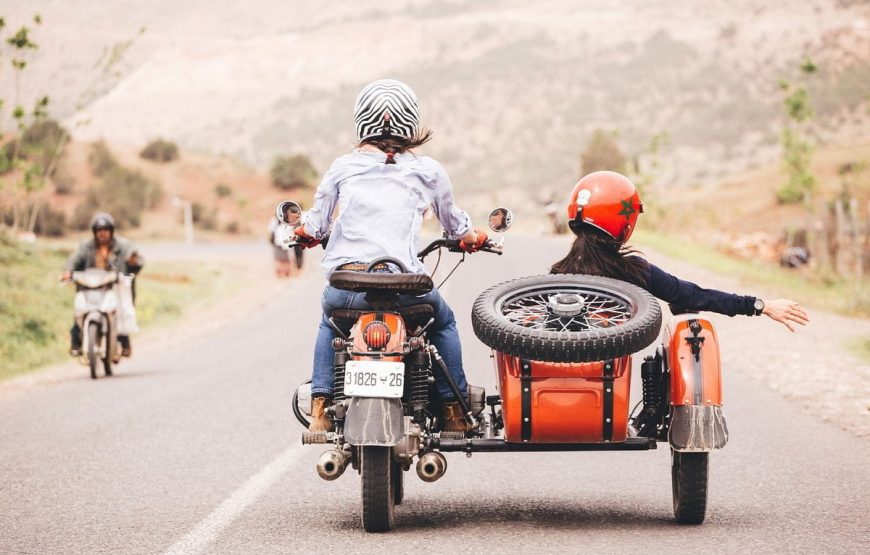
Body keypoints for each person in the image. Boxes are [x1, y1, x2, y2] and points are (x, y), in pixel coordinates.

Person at [293, 78, 488, 433]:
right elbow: (456, 226)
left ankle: (320, 408)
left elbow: (315, 224)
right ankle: (452, 410)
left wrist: (304, 233)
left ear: (361, 121)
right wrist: (473, 238)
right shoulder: (428, 170)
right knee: (443, 322)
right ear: (411, 120)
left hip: (348, 286)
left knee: (330, 320)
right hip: (406, 289)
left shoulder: (342, 167)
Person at [551, 171, 810, 331]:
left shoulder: (557, 274)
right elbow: (694, 296)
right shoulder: (634, 271)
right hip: (609, 388)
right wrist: (760, 305)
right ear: (624, 221)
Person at [62, 213, 144, 356]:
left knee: (120, 311)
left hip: (114, 287)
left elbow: (136, 258)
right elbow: (74, 259)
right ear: (94, 232)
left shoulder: (123, 245)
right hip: (91, 287)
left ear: (111, 231)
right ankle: (77, 343)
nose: (103, 233)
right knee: (81, 310)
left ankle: (124, 341)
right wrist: (68, 271)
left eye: (106, 230)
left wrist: (133, 261)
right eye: (99, 230)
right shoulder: (86, 247)